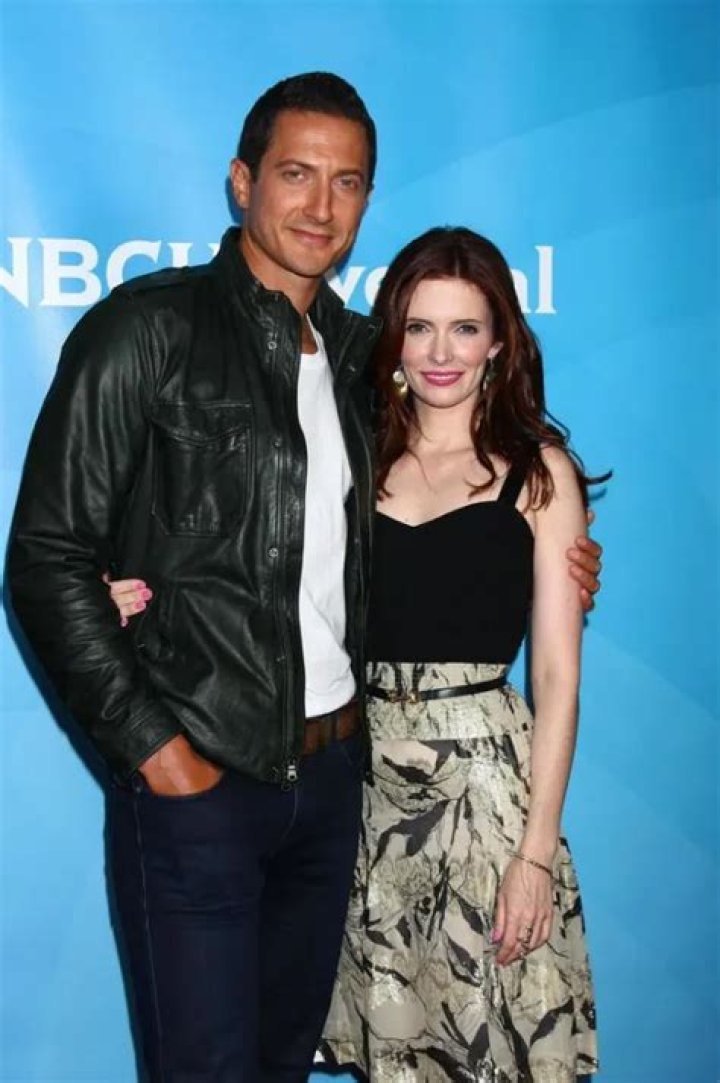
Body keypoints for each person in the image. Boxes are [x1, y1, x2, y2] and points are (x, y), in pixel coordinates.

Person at [7, 70, 601, 1083]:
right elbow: (46, 558)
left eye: (348, 181)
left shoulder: (369, 364)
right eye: (295, 173)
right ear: (242, 182)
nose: (321, 205)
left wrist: (554, 557)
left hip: (339, 790)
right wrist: (159, 753)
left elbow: (451, 521)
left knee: (286, 1064)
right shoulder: (147, 330)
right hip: (202, 774)